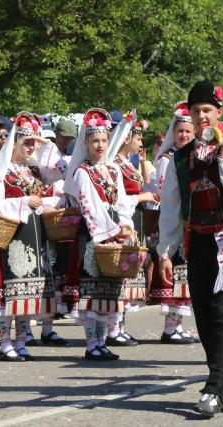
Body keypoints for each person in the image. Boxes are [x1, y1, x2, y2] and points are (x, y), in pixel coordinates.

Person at [157, 81, 223, 417]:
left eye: (208, 111)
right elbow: (171, 206)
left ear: (218, 113)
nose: (202, 117)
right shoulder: (181, 157)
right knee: (205, 316)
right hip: (199, 238)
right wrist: (165, 251)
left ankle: (213, 387)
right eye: (196, 111)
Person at [0, 112, 67, 361]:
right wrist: (24, 202)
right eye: (27, 142)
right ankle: (5, 343)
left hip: (34, 235)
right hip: (12, 238)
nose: (31, 147)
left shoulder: (31, 171)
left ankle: (21, 341)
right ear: (14, 142)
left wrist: (47, 145)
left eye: (34, 142)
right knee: (10, 294)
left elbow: (63, 173)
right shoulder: (0, 172)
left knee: (27, 295)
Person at [63, 109, 136, 362]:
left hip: (114, 230)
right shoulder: (83, 172)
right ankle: (91, 343)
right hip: (94, 235)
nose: (100, 145)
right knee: (92, 290)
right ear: (86, 142)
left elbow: (123, 202)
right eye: (95, 141)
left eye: (104, 140)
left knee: (109, 291)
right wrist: (109, 232)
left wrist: (126, 225)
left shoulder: (113, 170)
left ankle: (102, 342)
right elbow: (89, 207)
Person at [106, 113, 158, 346]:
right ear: (125, 138)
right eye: (137, 138)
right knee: (121, 275)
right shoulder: (114, 164)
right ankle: (113, 328)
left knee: (128, 274)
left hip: (134, 219)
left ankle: (119, 326)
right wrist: (143, 196)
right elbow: (117, 199)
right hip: (122, 219)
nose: (140, 143)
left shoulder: (128, 163)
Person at [149, 103, 198, 344]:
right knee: (174, 273)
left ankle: (177, 325)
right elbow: (165, 194)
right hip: (173, 221)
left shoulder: (193, 155)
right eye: (180, 131)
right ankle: (170, 327)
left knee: (184, 275)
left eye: (188, 131)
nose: (184, 135)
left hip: (188, 224)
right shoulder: (168, 159)